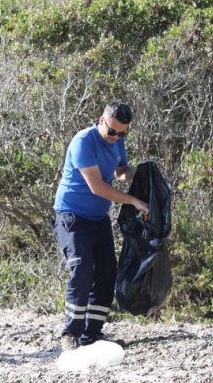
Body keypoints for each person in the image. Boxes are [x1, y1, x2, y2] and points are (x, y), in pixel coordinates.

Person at [52, 102, 150, 351]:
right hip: (73, 216)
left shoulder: (117, 141)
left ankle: (92, 334)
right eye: (112, 131)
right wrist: (133, 201)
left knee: (107, 273)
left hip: (98, 217)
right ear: (101, 120)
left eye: (122, 133)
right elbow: (97, 187)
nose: (116, 137)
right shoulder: (83, 142)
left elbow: (120, 172)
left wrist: (138, 173)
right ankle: (71, 334)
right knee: (82, 269)